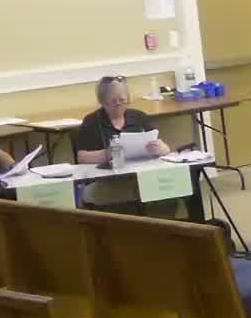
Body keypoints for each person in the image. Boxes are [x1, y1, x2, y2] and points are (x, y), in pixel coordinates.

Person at [73, 75, 184, 216]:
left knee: (172, 188)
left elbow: (162, 146)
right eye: (113, 101)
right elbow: (82, 157)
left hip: (142, 175)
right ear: (102, 102)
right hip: (109, 180)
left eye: (122, 100)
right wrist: (107, 154)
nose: (118, 104)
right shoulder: (92, 121)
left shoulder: (139, 117)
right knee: (127, 193)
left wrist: (162, 149)